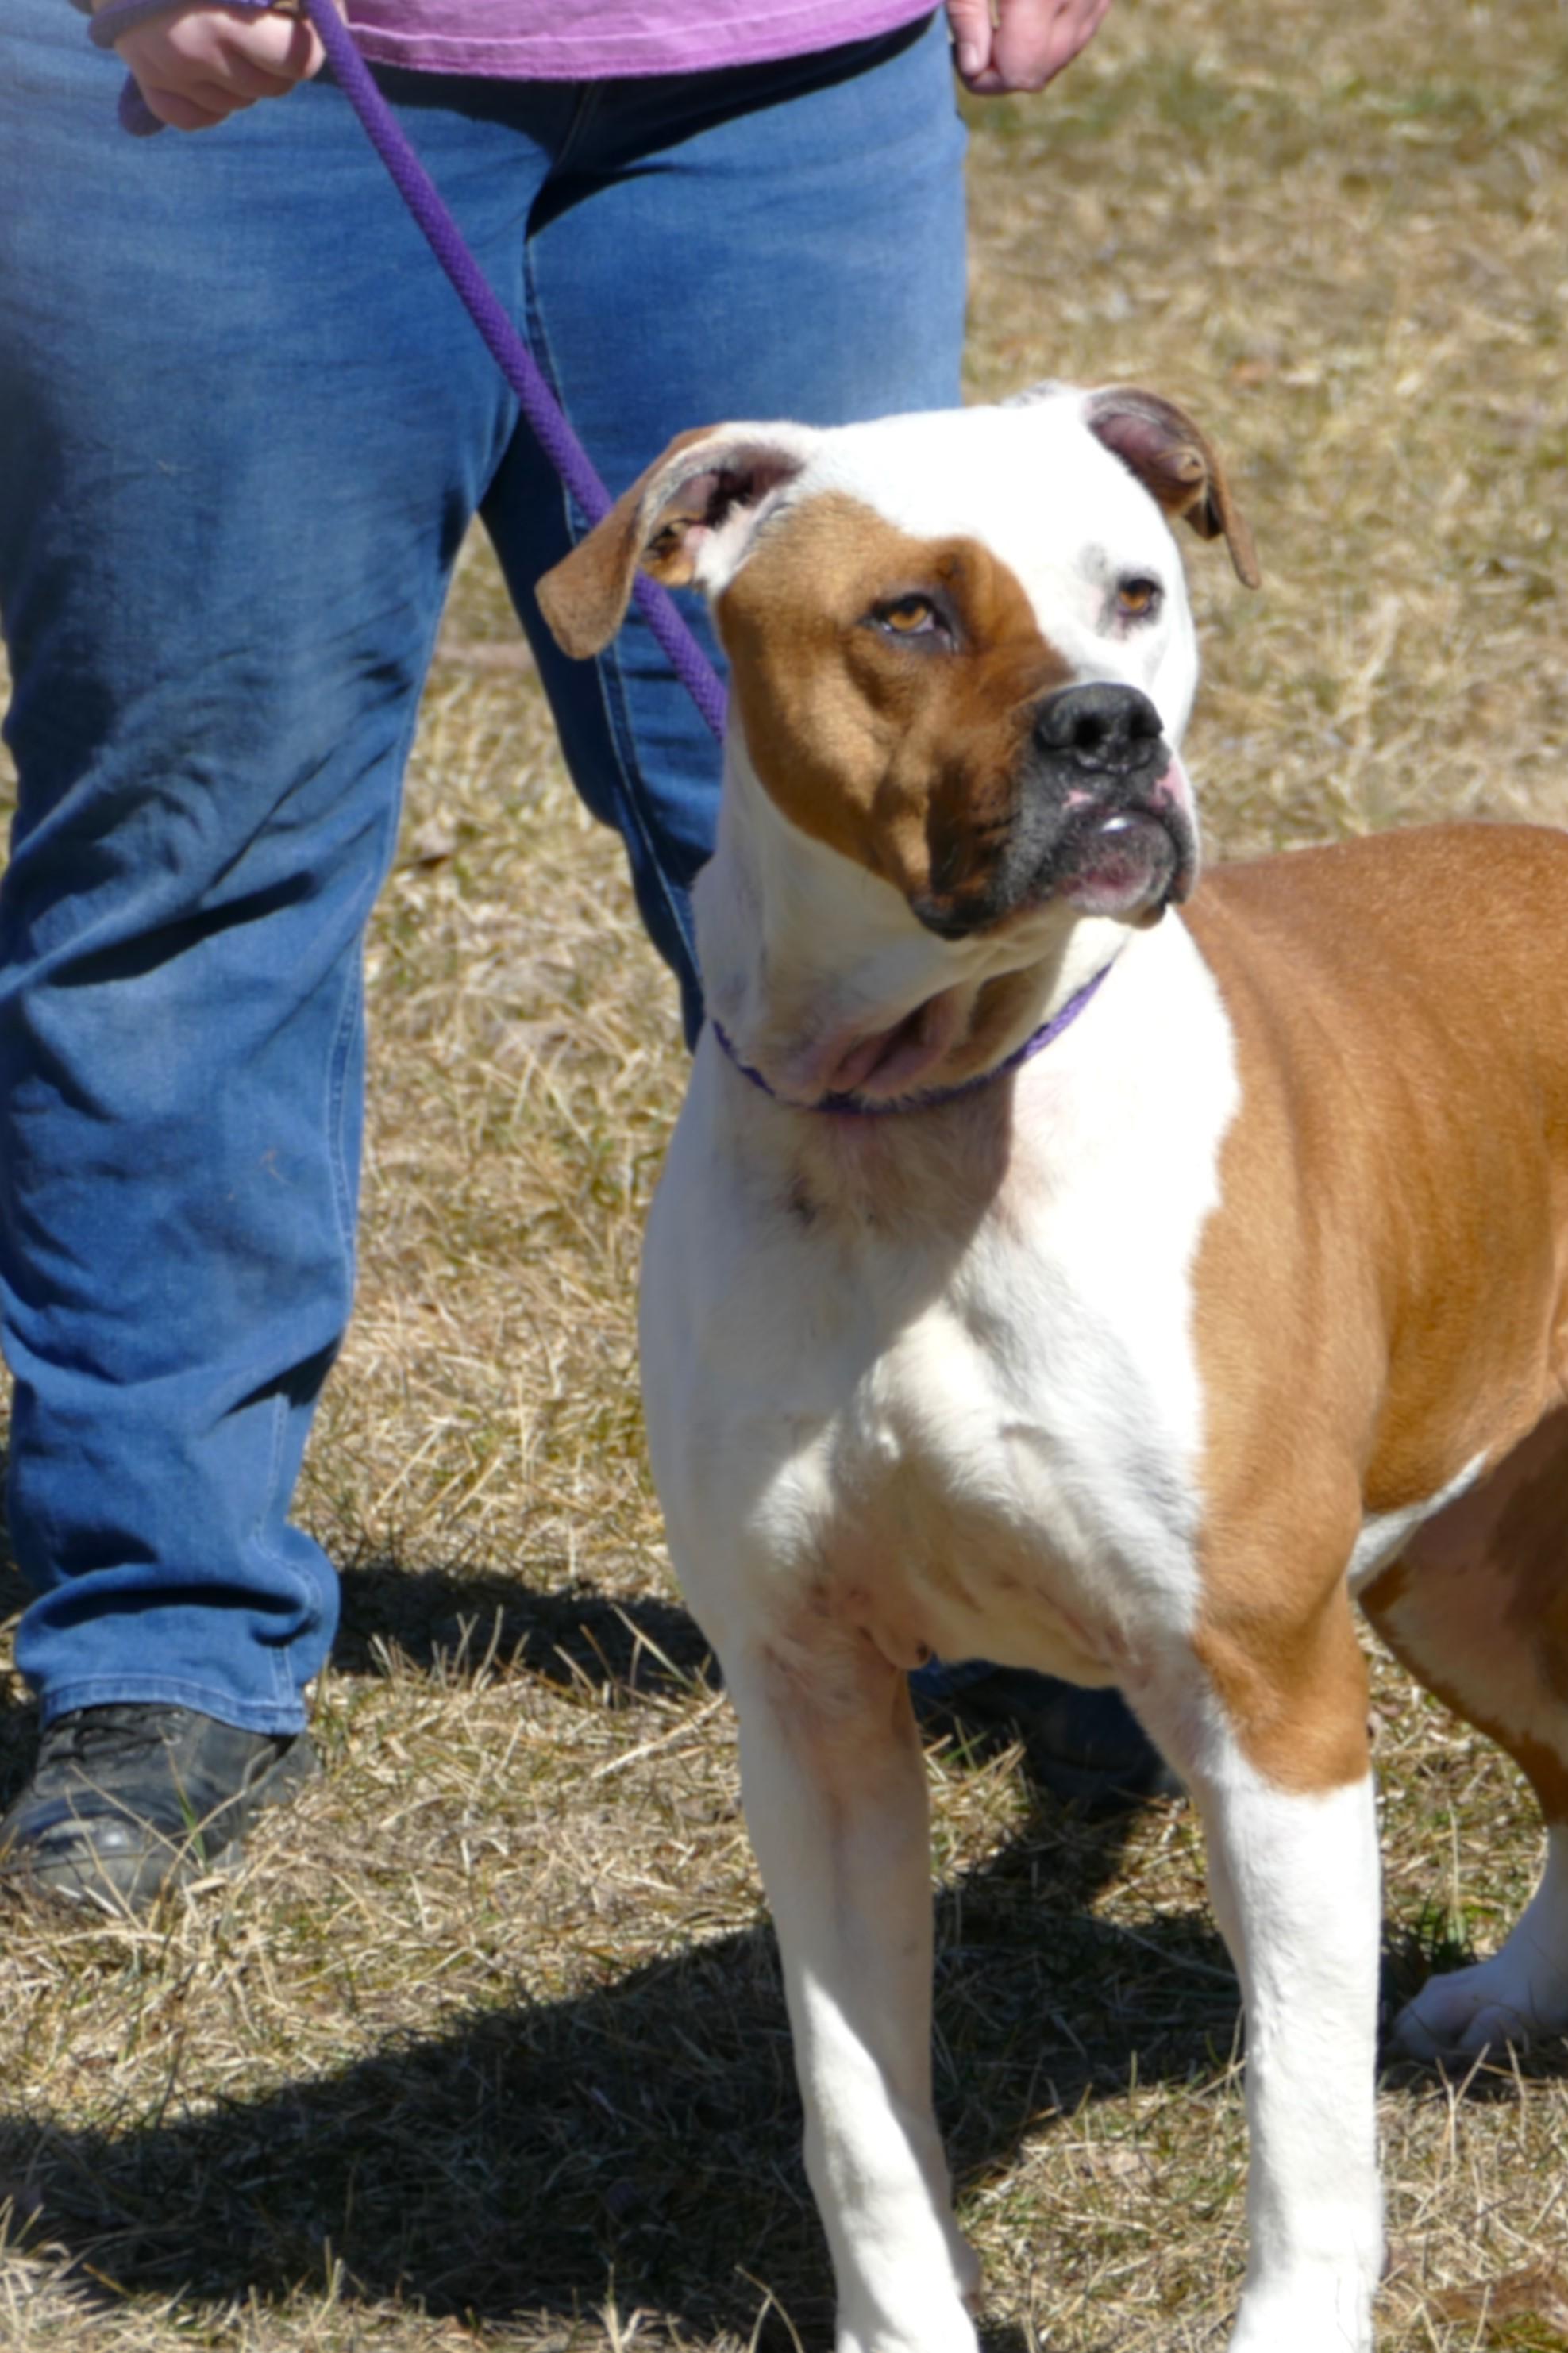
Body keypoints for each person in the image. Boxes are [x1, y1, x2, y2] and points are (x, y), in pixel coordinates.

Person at [0, 0, 1154, 1911]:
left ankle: (1049, 1554)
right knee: (184, 875)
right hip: (227, 91)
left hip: (782, 78)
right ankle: (159, 1633)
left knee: (922, 879)